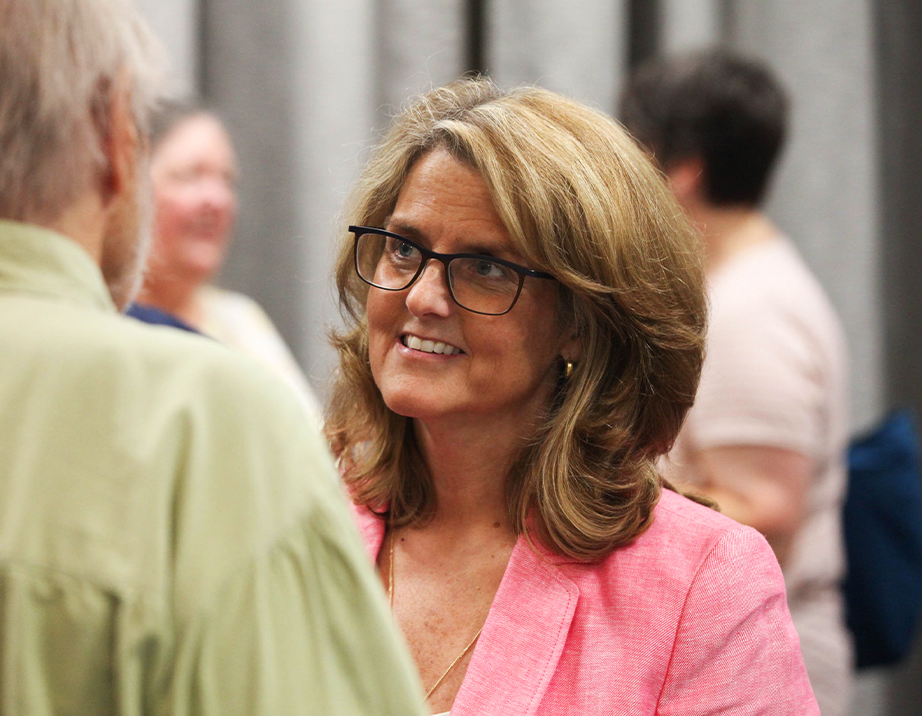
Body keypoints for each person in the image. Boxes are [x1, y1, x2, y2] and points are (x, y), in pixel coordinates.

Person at [0, 1, 426, 714]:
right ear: (119, 140)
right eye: (405, 250)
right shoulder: (201, 425)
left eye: (227, 179)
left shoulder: (232, 352)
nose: (430, 296)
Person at [326, 76, 817, 715]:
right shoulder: (297, 522)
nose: (421, 297)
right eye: (402, 249)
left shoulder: (702, 580)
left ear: (581, 325)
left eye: (486, 268)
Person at [620, 49, 852, 715]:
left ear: (682, 170)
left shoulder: (751, 313)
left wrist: (594, 489)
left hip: (761, 650)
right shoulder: (740, 287)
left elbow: (766, 509)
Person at [130, 100, 319, 419]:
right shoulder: (103, 325)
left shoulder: (241, 319)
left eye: (227, 181)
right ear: (130, 185)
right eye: (190, 176)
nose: (217, 201)